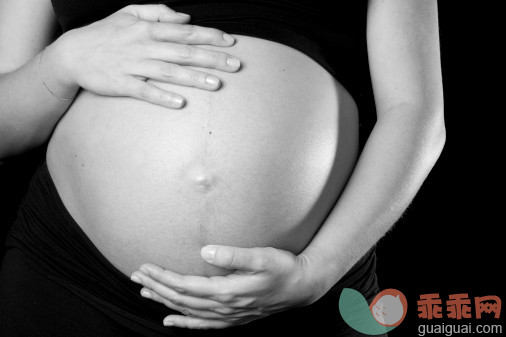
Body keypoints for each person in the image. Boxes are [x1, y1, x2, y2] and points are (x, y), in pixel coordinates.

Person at [0, 0, 445, 336]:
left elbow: (415, 111)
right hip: (76, 279)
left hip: (306, 286)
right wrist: (60, 61)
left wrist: (318, 271)